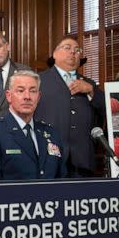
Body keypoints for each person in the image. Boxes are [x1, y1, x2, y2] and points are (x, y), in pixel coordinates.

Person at [0, 70, 67, 180]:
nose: (27, 96)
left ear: (38, 97)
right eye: (20, 91)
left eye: (33, 91)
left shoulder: (51, 133)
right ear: (8, 96)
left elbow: (62, 180)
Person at [34, 36, 105, 177]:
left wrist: (91, 90)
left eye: (77, 50)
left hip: (83, 161)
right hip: (49, 158)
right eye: (67, 48)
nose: (73, 52)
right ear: (54, 54)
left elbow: (107, 112)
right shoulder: (38, 80)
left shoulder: (89, 83)